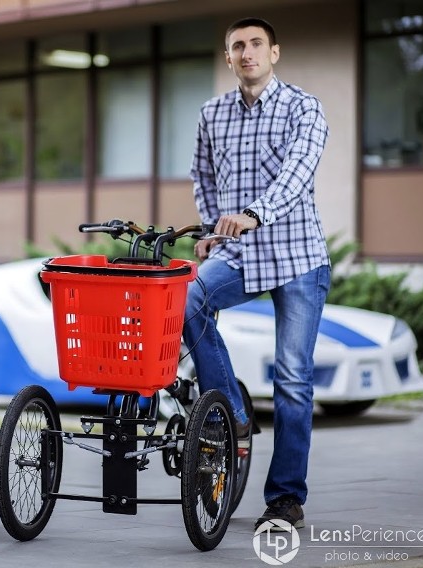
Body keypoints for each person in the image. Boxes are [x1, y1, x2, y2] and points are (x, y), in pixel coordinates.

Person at [183, 17, 330, 531]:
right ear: (228, 58)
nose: (247, 53)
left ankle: (286, 498)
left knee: (292, 380)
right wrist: (211, 227)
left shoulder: (304, 108)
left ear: (274, 53)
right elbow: (202, 174)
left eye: (255, 44)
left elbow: (297, 173)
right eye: (237, 47)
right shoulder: (211, 113)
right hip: (237, 255)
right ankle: (229, 415)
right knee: (188, 301)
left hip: (297, 256)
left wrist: (254, 213)